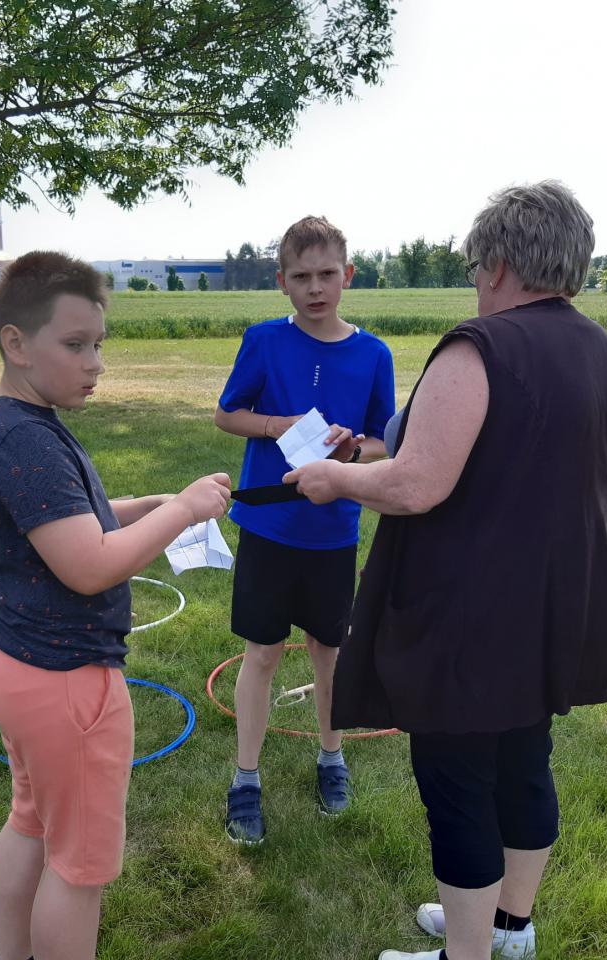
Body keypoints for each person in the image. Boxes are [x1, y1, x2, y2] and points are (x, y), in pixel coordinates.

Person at [286, 181, 607, 960]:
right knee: (523, 761)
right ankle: (510, 929)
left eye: (477, 265)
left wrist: (338, 478)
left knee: (459, 784)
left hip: (474, 614)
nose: (476, 279)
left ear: (500, 264)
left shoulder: (480, 348)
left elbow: (417, 483)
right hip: (558, 600)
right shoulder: (601, 352)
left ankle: (465, 954)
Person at [0, 251, 230, 960]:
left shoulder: (16, 422)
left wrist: (152, 505)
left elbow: (66, 517)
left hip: (10, 654)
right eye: (76, 345)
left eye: (99, 345)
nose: (96, 365)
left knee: (31, 819)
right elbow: (88, 565)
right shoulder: (29, 438)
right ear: (17, 343)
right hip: (63, 679)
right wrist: (181, 512)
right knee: (78, 868)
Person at [214, 215, 396, 844]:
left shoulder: (373, 354)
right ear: (282, 282)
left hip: (332, 532)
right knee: (262, 652)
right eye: (301, 277)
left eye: (326, 274)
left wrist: (353, 450)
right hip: (268, 526)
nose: (315, 288)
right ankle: (246, 777)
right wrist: (278, 425)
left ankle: (331, 756)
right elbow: (228, 414)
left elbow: (384, 441)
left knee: (329, 652)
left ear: (348, 276)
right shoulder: (264, 341)